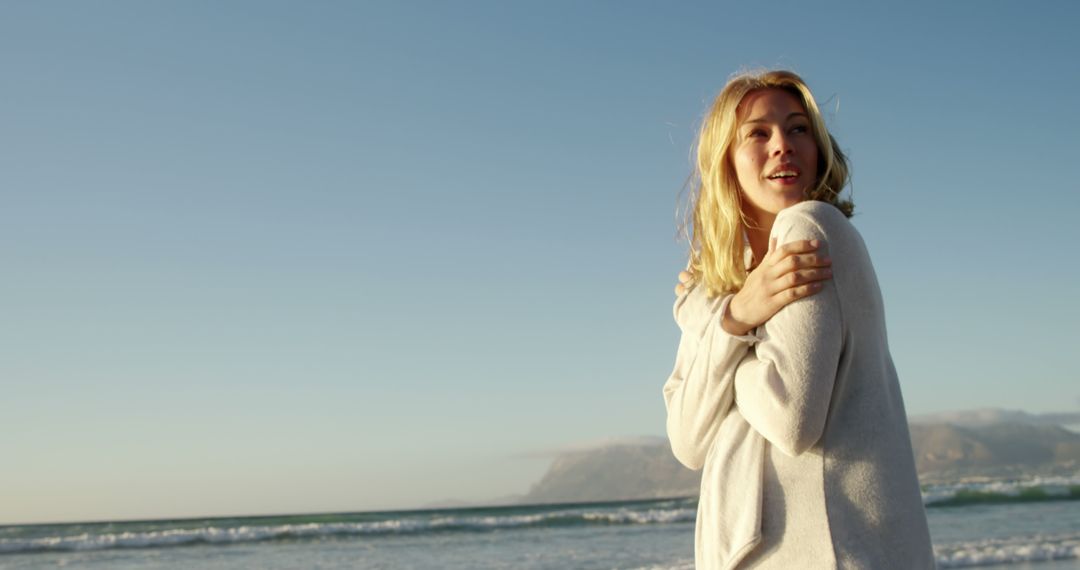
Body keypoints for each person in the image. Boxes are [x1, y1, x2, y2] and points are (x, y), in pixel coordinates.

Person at [662, 70, 935, 569]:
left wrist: (722, 327)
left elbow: (789, 419)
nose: (782, 145)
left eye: (798, 129)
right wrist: (734, 317)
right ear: (725, 159)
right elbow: (687, 440)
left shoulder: (809, 227)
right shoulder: (726, 287)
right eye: (758, 133)